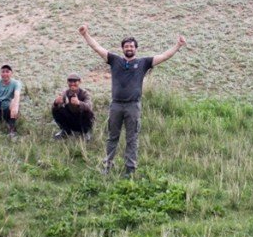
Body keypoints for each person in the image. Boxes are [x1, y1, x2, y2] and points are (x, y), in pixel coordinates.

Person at [79, 25, 185, 177]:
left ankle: (130, 169)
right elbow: (97, 48)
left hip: (133, 106)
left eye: (131, 46)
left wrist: (178, 46)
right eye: (126, 46)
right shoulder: (114, 60)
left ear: (136, 48)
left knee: (132, 138)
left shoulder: (144, 63)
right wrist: (85, 34)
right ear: (122, 49)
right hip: (116, 105)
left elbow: (164, 56)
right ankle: (107, 165)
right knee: (112, 137)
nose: (129, 48)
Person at [51, 74, 94, 139]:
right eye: (70, 81)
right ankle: (65, 131)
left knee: (87, 112)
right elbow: (55, 107)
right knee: (56, 109)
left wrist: (79, 103)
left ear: (79, 82)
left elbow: (89, 106)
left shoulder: (85, 93)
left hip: (82, 120)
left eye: (75, 81)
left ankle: (86, 132)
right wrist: (56, 103)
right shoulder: (65, 93)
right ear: (67, 82)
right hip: (71, 119)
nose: (72, 84)